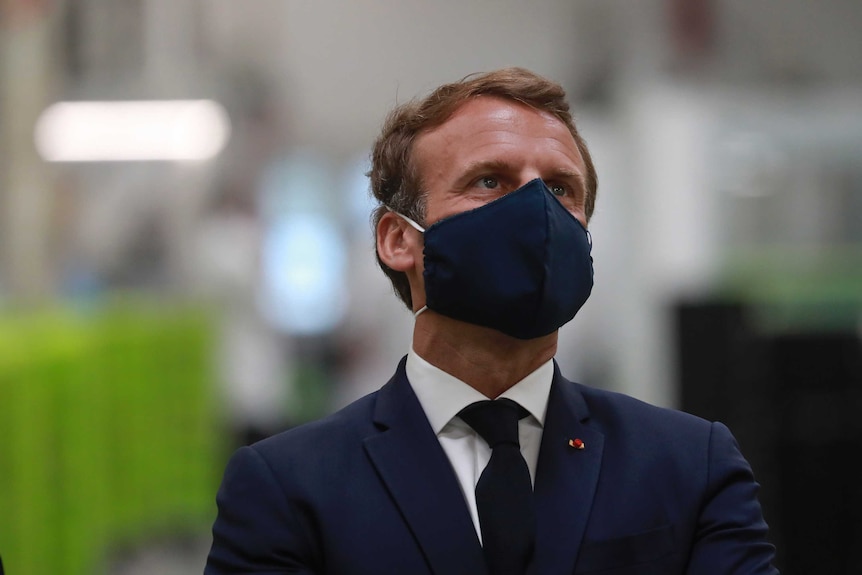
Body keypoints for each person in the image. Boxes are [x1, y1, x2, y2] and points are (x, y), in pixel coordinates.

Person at [205, 67, 779, 574]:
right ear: (398, 239)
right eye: (490, 181)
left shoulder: (687, 464)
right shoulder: (289, 488)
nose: (537, 212)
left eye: (559, 189)